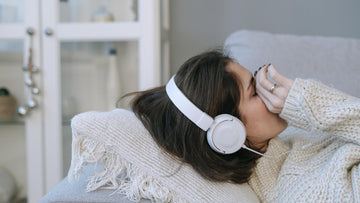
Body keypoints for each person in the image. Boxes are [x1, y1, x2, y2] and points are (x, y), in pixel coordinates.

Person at [124, 50, 360, 202]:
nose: (269, 88)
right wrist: (312, 102)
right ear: (229, 132)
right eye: (255, 91)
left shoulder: (297, 138)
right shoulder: (304, 192)